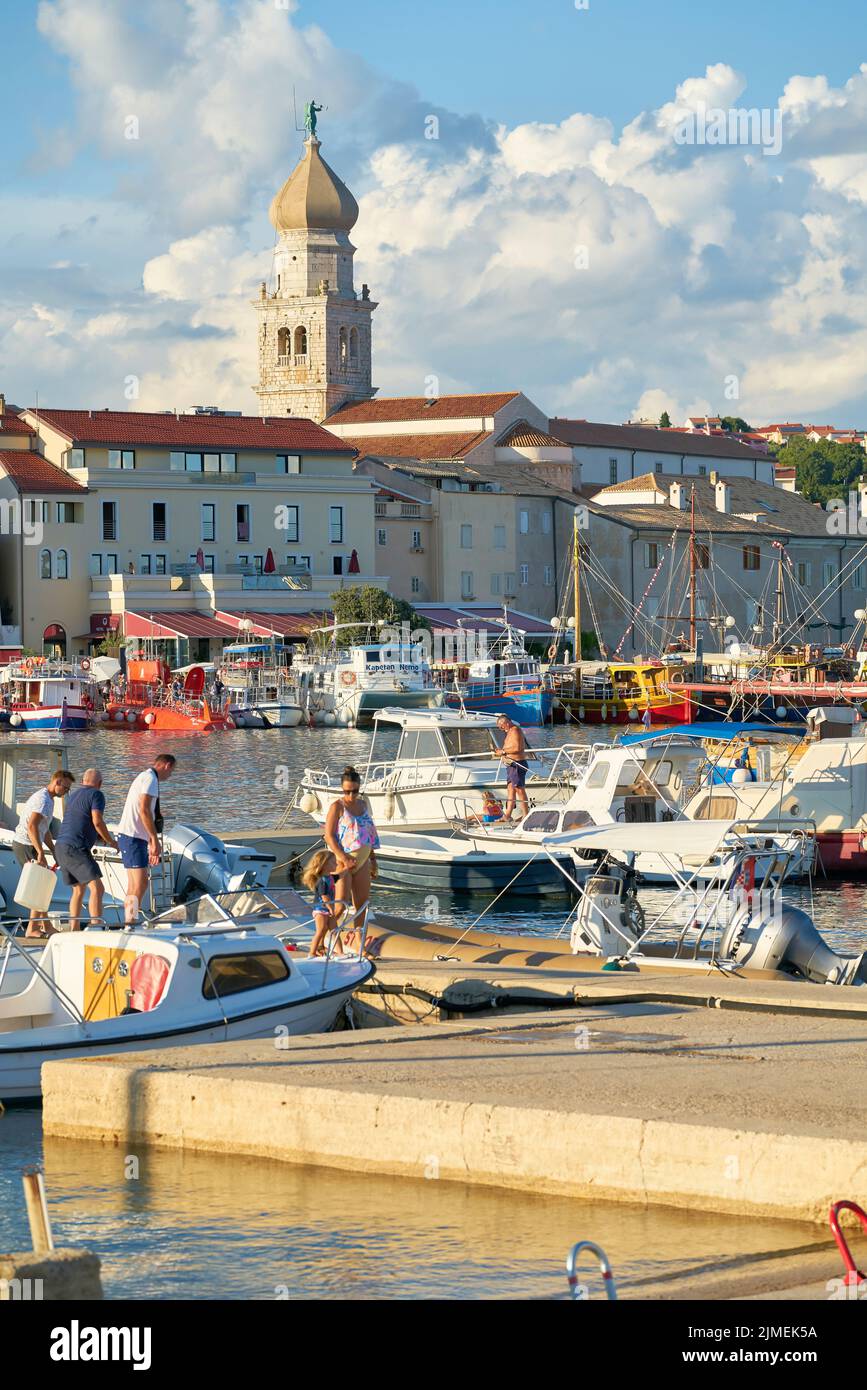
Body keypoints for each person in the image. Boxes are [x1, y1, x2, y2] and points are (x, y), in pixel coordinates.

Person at [53, 768, 118, 931]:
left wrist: (96, 836)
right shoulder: (97, 795)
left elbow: (80, 820)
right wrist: (111, 842)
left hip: (61, 847)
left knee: (78, 889)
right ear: (100, 783)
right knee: (97, 888)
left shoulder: (73, 795)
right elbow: (97, 821)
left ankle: (74, 929)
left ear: (83, 781)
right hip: (76, 848)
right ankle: (96, 927)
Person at [13, 768, 75, 937]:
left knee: (41, 885)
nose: (67, 792)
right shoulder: (42, 800)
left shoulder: (49, 799)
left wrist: (53, 850)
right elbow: (32, 826)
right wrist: (40, 852)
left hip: (31, 844)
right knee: (38, 885)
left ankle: (44, 926)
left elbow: (44, 829)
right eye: (66, 788)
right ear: (58, 782)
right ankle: (33, 929)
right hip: (25, 844)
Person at [117, 754, 176, 921]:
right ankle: (131, 922)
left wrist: (150, 841)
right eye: (171, 771)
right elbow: (143, 810)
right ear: (167, 765)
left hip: (133, 835)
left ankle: (129, 921)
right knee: (140, 883)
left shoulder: (145, 777)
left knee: (134, 885)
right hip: (132, 836)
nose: (170, 775)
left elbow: (145, 811)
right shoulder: (150, 779)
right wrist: (154, 838)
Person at [324, 766, 379, 931]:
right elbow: (329, 836)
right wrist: (343, 857)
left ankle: (359, 945)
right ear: (342, 789)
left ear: (359, 788)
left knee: (362, 906)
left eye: (354, 791)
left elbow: (368, 835)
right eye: (347, 791)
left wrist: (373, 860)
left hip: (362, 861)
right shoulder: (337, 807)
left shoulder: (363, 805)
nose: (351, 795)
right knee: (340, 905)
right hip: (344, 861)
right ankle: (322, 938)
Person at [301, 849, 350, 957]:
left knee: (335, 931)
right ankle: (312, 952)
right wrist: (331, 908)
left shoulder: (330, 877)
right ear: (324, 864)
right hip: (321, 909)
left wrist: (347, 867)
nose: (336, 864)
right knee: (321, 930)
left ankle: (341, 953)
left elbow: (340, 875)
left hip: (329, 909)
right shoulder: (321, 880)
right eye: (333, 862)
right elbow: (325, 896)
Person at [496, 714, 529, 821]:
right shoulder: (510, 731)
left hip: (517, 764)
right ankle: (507, 815)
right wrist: (500, 752)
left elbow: (517, 747)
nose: (501, 729)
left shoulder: (515, 730)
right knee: (510, 789)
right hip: (511, 765)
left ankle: (525, 815)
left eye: (501, 726)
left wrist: (503, 751)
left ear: (506, 723)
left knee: (519, 789)